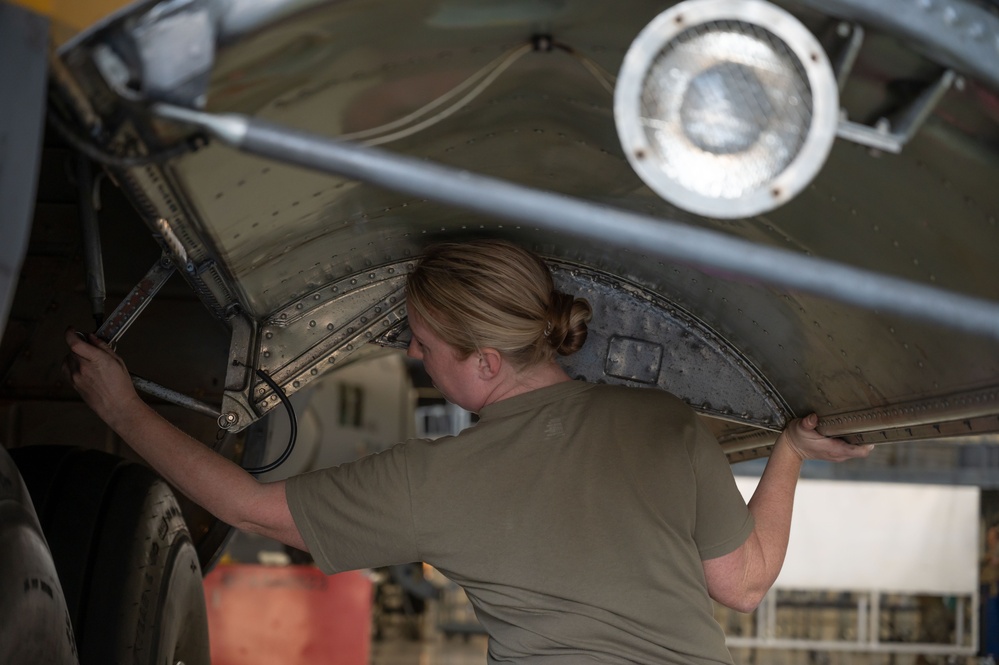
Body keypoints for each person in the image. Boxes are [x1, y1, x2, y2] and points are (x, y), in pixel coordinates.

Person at [64, 239, 872, 664]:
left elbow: (245, 504)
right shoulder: (662, 420)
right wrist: (790, 449)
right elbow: (743, 583)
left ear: (484, 362)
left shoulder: (434, 480)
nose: (415, 356)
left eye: (423, 343)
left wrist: (123, 407)